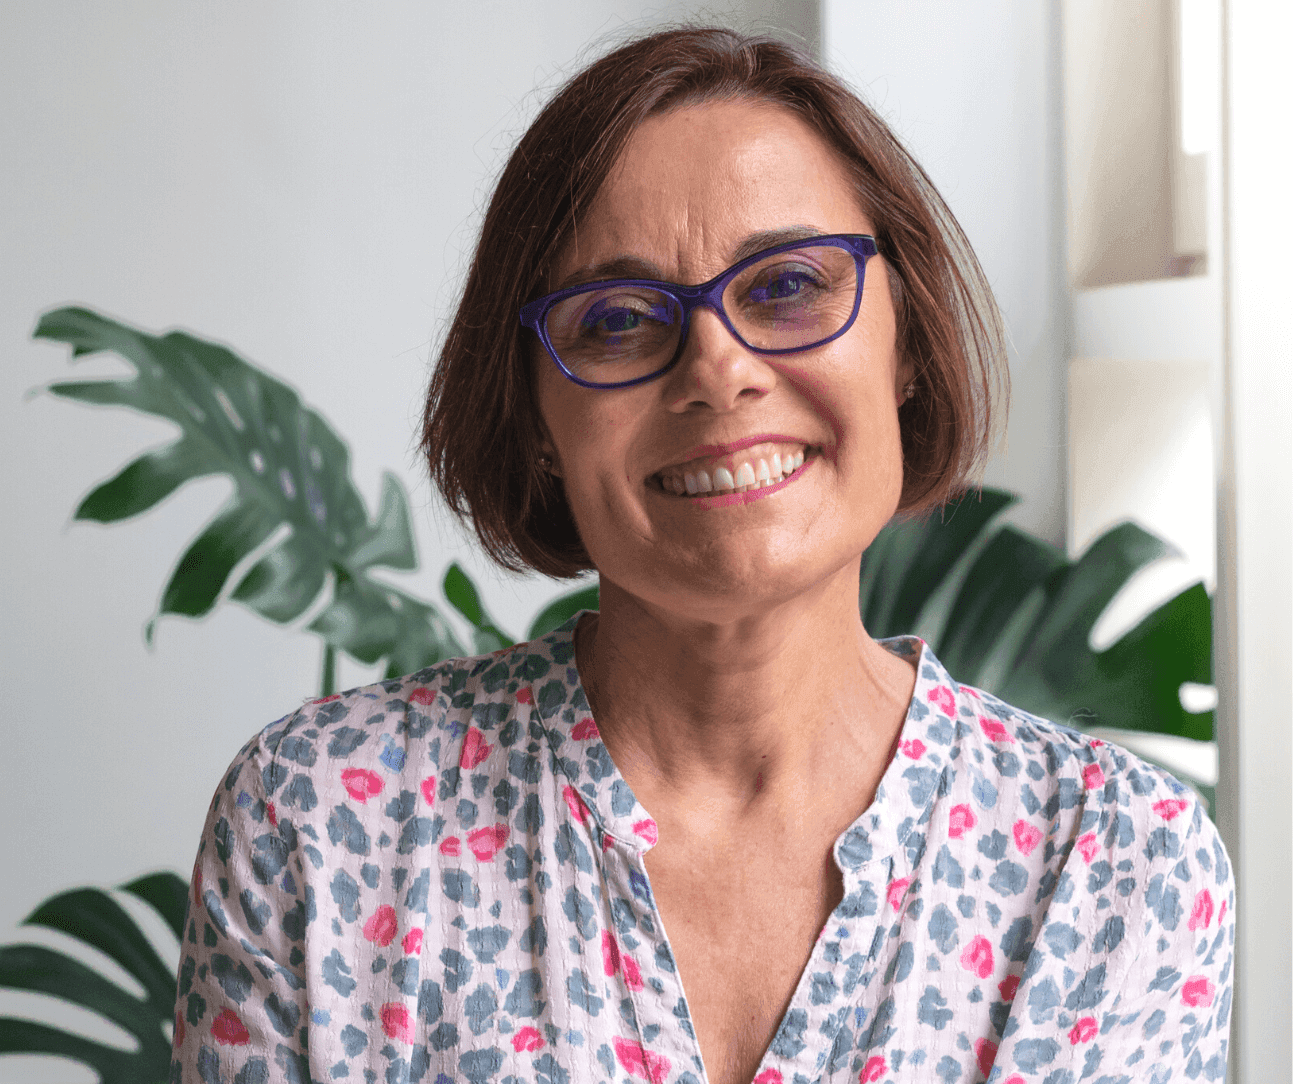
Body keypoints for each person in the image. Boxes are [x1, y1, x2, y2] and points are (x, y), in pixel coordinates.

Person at [170, 27, 1234, 1084]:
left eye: (788, 285)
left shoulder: (1121, 867)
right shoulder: (316, 827)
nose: (718, 371)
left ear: (904, 346)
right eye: (620, 320)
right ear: (537, 415)